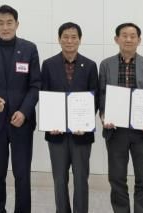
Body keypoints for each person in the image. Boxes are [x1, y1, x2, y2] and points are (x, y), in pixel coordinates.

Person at [0, 4, 41, 213]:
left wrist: (24, 112)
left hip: (21, 122)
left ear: (17, 24)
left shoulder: (29, 49)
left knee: (22, 174)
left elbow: (35, 85)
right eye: (1, 23)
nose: (5, 27)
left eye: (9, 23)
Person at [99, 22, 143, 213]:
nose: (128, 39)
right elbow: (102, 94)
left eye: (133, 36)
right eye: (124, 35)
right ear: (116, 39)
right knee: (117, 178)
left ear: (139, 40)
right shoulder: (106, 64)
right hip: (116, 131)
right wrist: (104, 115)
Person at [41, 22, 99, 213]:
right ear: (59, 39)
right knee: (59, 179)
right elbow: (44, 95)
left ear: (80, 40)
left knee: (81, 179)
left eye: (74, 37)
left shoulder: (90, 65)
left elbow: (95, 98)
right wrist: (50, 123)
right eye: (65, 37)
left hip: (81, 133)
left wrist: (86, 123)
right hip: (56, 133)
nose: (69, 41)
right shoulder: (48, 65)